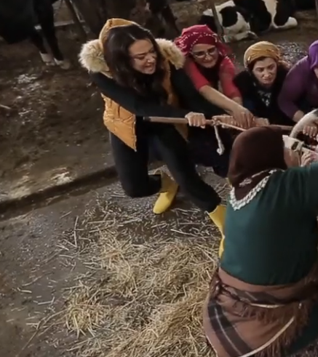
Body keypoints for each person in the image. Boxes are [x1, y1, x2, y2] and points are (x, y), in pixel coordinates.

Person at [203, 125, 318, 357]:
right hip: (271, 324)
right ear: (271, 156)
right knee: (311, 324)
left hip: (228, 313)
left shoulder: (238, 191)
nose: (292, 151)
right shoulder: (286, 186)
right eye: (286, 147)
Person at [78, 18, 228, 253]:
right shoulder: (102, 72)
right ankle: (165, 185)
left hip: (164, 121)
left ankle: (226, 224)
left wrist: (218, 116)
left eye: (151, 52)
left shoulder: (168, 60)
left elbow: (193, 97)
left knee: (187, 177)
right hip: (126, 123)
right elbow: (138, 106)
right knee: (133, 187)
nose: (150, 59)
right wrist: (186, 114)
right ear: (120, 61)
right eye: (140, 57)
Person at [175, 25, 255, 177]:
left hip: (207, 101)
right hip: (187, 103)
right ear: (190, 54)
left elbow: (231, 90)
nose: (208, 56)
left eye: (211, 50)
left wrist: (237, 114)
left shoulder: (224, 61)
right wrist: (236, 111)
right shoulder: (185, 62)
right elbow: (203, 88)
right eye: (200, 53)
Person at [233, 41, 293, 126]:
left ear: (277, 65)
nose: (267, 74)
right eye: (260, 70)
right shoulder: (242, 83)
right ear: (251, 71)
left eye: (271, 67)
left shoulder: (288, 78)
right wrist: (255, 119)